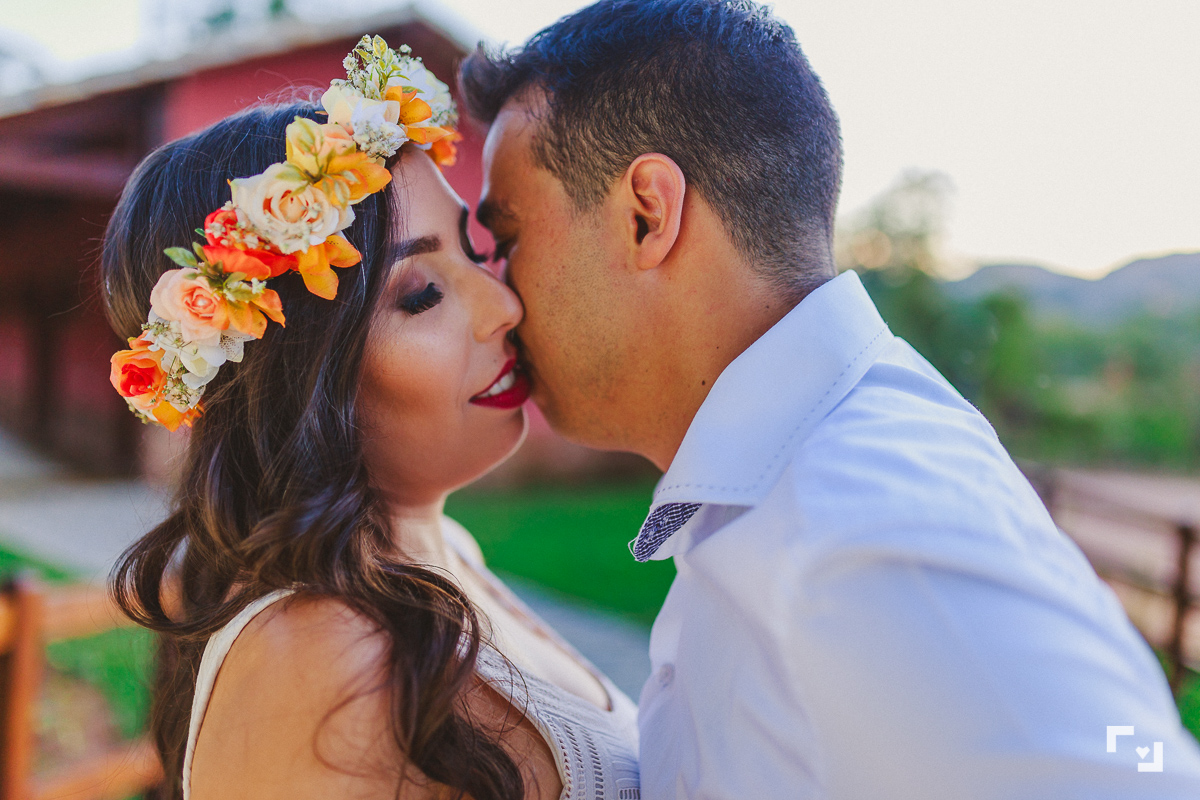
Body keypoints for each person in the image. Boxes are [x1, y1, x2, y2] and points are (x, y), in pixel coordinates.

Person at [459, 1, 1200, 797]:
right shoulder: (811, 482)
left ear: (647, 215)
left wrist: (1142, 745)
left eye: (507, 241)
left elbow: (1144, 771)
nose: (496, 296)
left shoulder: (852, 537)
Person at [101, 38, 639, 800]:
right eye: (422, 293)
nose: (503, 306)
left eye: (477, 255)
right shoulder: (323, 664)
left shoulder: (442, 553)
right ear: (296, 374)